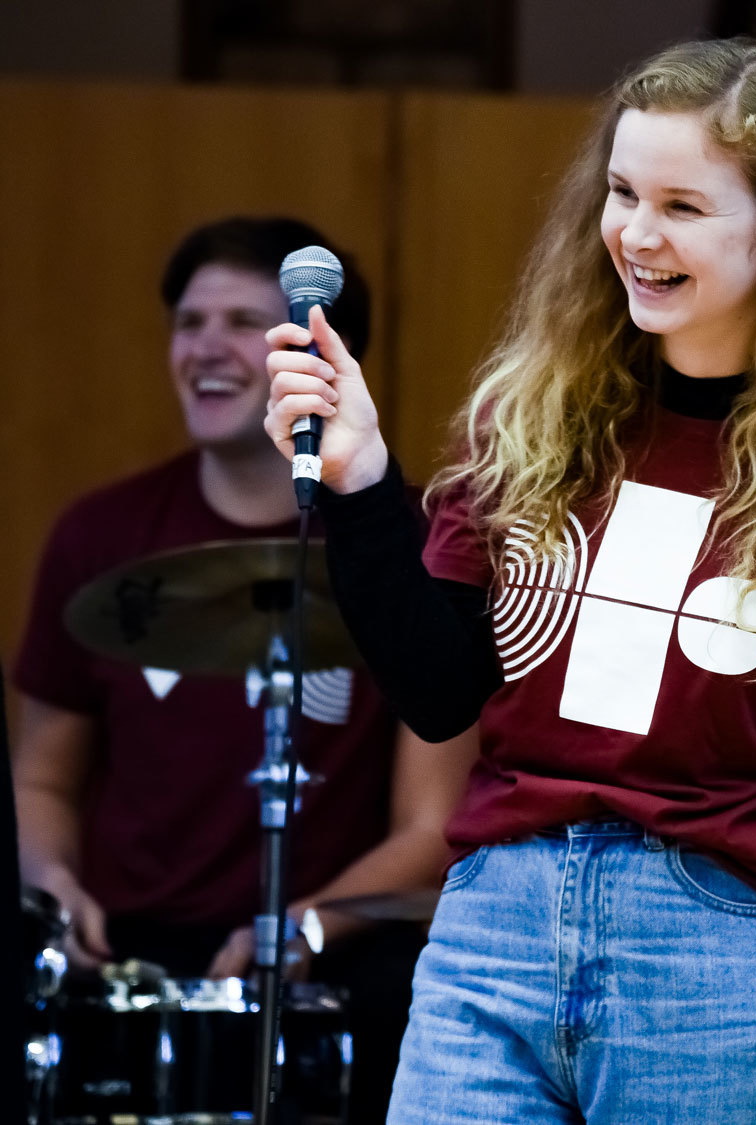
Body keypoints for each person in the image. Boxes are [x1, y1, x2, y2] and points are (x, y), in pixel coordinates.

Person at [264, 38, 756, 1125]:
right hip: (493, 935)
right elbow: (437, 693)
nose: (636, 235)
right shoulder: (527, 414)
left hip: (724, 956)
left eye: (682, 205)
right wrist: (366, 485)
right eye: (620, 193)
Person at [9, 216, 480, 1124]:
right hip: (131, 956)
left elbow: (434, 824)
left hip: (329, 959)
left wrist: (303, 925)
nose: (207, 347)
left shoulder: (409, 543)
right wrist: (54, 886)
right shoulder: (99, 534)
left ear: (321, 353)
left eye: (242, 323)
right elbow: (41, 773)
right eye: (190, 322)